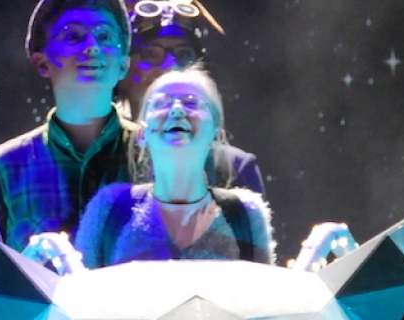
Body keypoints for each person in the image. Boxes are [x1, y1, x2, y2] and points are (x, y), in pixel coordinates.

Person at [0, 0, 137, 250]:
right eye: (73, 36)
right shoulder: (4, 168)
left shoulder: (156, 153)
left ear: (123, 64)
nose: (92, 47)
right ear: (42, 63)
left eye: (104, 36)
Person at [83, 0, 265, 194]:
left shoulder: (233, 168)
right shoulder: (98, 163)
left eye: (184, 54)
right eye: (151, 54)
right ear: (122, 70)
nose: (171, 65)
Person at [75, 66, 273, 268]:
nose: (177, 110)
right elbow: (79, 287)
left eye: (191, 103)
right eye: (162, 103)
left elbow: (265, 287)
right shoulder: (108, 209)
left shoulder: (246, 214)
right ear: (141, 134)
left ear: (217, 136)